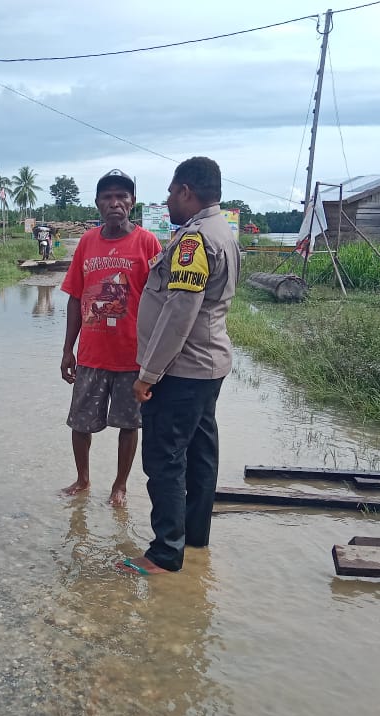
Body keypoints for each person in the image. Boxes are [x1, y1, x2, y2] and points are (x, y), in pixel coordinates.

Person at [118, 156, 241, 575]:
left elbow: (179, 312)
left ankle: (165, 554)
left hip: (183, 369)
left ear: (186, 191)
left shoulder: (193, 241)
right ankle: (194, 538)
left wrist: (148, 374)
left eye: (171, 192)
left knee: (165, 458)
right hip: (209, 367)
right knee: (201, 453)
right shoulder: (220, 229)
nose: (168, 200)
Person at [60, 169, 163, 506]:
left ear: (132, 203)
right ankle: (82, 479)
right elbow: (76, 297)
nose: (115, 203)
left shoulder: (147, 243)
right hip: (91, 353)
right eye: (107, 197)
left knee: (129, 424)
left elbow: (162, 300)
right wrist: (67, 350)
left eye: (122, 196)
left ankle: (120, 485)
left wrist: (155, 359)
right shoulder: (87, 242)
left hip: (133, 356)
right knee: (80, 423)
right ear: (98, 204)